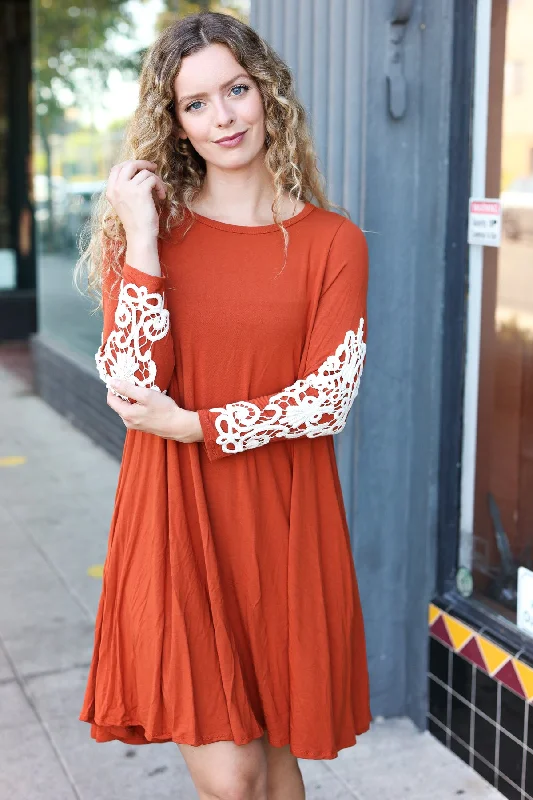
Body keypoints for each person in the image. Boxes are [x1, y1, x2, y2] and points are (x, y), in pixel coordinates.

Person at [76, 11, 372, 800]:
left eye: (235, 89)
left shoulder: (332, 242)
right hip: (175, 515)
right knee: (233, 775)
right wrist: (141, 236)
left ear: (266, 93)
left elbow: (327, 397)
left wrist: (197, 423)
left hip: (283, 518)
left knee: (276, 766)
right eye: (195, 103)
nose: (223, 116)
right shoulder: (150, 234)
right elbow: (132, 384)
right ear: (173, 123)